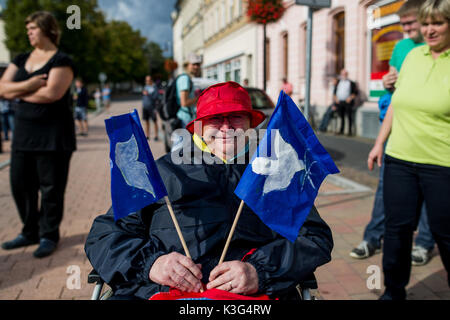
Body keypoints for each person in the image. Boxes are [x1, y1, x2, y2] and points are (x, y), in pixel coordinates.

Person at [85, 81, 333, 300]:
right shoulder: (162, 171)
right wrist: (152, 264)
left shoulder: (275, 173)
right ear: (198, 127)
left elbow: (314, 238)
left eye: (236, 117)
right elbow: (105, 236)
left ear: (250, 124)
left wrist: (261, 271)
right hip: (161, 293)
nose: (226, 128)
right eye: (215, 118)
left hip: (253, 296)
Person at [367, 0, 450, 300]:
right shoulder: (413, 56)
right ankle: (394, 290)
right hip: (400, 159)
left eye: (437, 23)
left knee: (445, 234)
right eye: (426, 23)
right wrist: (379, 143)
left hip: (442, 163)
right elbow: (397, 105)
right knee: (396, 231)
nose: (429, 29)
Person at [350, 0, 436, 266]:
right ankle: (373, 237)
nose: (405, 28)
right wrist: (387, 82)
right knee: (386, 187)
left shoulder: (437, 48)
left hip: (429, 132)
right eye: (403, 23)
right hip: (397, 125)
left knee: (428, 190)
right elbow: (395, 86)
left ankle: (423, 243)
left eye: (411, 23)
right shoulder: (401, 47)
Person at [0, 11, 76, 258]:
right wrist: (31, 85)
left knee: (51, 188)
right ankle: (29, 230)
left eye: (33, 28)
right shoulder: (21, 58)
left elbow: (52, 94)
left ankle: (48, 234)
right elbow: (1, 88)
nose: (29, 32)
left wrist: (15, 91)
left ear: (46, 29)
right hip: (23, 134)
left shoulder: (61, 60)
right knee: (20, 184)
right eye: (28, 28)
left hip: (53, 135)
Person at [171, 52, 201, 151]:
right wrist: (199, 98)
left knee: (186, 150)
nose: (196, 67)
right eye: (194, 64)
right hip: (185, 119)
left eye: (198, 64)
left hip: (186, 118)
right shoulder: (185, 79)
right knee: (179, 150)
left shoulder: (187, 78)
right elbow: (184, 102)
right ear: (187, 65)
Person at [333, 69, 358, 136]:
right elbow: (334, 92)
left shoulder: (351, 83)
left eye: (345, 74)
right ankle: (340, 130)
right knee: (341, 116)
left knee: (348, 117)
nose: (344, 75)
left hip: (347, 102)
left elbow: (355, 93)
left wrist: (350, 98)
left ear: (347, 75)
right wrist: (336, 99)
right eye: (342, 74)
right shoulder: (338, 82)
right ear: (341, 75)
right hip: (339, 102)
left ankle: (349, 131)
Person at [142, 75, 160, 141]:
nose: (147, 81)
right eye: (146, 80)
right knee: (146, 122)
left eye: (149, 80)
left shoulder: (154, 87)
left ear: (151, 80)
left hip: (152, 108)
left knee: (154, 122)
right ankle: (147, 135)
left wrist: (148, 94)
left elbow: (156, 97)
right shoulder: (145, 87)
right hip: (145, 107)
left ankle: (156, 136)